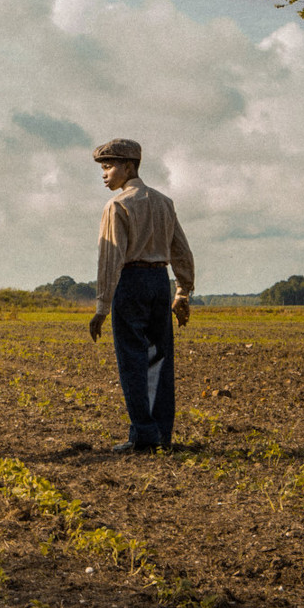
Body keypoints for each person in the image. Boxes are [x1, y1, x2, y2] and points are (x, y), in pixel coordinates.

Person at [86, 138, 194, 453]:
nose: (104, 174)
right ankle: (162, 434)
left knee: (133, 360)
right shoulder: (164, 202)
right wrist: (182, 290)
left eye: (108, 167)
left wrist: (102, 306)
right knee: (160, 358)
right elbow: (181, 250)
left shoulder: (117, 206)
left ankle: (143, 437)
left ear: (129, 167)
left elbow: (111, 257)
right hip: (160, 281)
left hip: (130, 282)